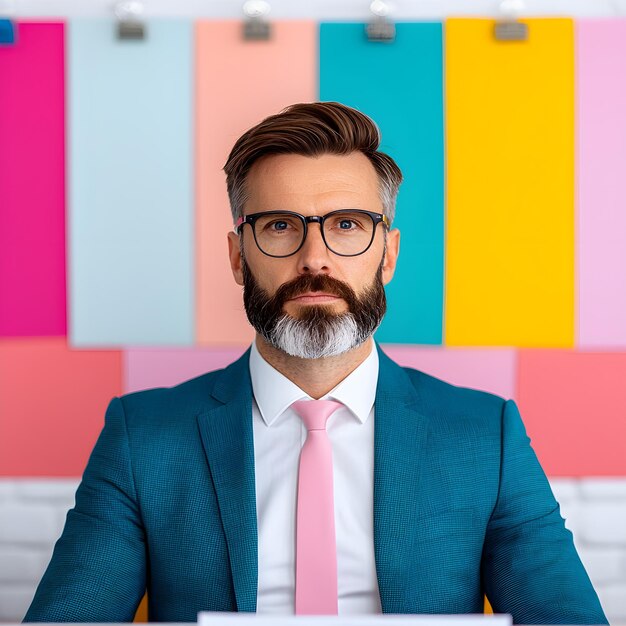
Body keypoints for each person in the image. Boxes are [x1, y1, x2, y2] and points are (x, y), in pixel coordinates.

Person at [24, 102, 607, 624]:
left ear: (388, 255)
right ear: (237, 256)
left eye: (347, 225)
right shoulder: (143, 438)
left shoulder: (486, 436)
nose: (315, 259)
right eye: (280, 226)